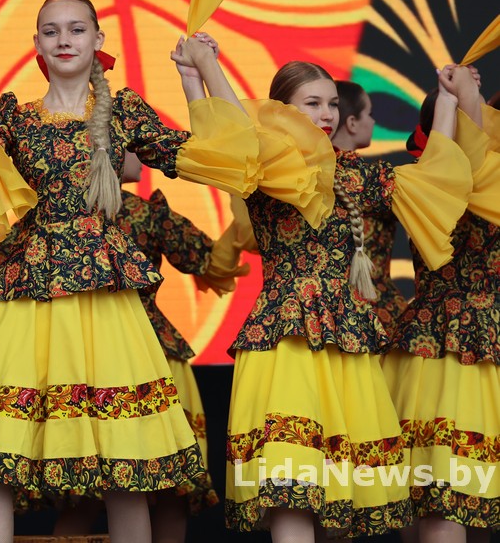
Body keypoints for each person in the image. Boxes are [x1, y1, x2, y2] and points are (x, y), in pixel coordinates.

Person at [0, 0, 260, 542]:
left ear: (98, 40)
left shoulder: (125, 112)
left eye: (75, 29)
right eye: (51, 31)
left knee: (125, 458)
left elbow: (223, 154)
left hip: (105, 294)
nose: (64, 40)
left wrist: (200, 72)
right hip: (28, 290)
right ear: (37, 45)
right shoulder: (16, 117)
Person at [171, 47, 473, 541]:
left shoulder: (353, 172)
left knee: (337, 496)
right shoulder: (265, 162)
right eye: (312, 103)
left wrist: (447, 102)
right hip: (286, 340)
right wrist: (199, 72)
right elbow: (229, 134)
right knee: (292, 490)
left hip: (345, 342)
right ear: (280, 112)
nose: (327, 114)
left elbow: (431, 180)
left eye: (332, 103)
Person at [383, 65, 498, 543]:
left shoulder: (431, 180)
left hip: (442, 345)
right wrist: (463, 97)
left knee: (463, 502)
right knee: (443, 499)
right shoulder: (433, 181)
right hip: (449, 347)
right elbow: (464, 163)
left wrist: (463, 97)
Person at [332, 80, 408, 336]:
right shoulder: (374, 179)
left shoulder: (299, 176)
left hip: (325, 309)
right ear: (352, 122)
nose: (374, 121)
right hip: (375, 307)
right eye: (370, 113)